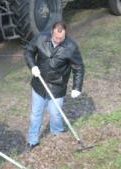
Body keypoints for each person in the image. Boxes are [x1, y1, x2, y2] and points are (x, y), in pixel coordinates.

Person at [24, 21, 85, 150]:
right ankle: (32, 140)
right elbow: (28, 51)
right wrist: (32, 66)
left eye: (61, 38)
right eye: (56, 38)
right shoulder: (40, 38)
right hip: (39, 83)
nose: (58, 40)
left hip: (58, 85)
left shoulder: (71, 47)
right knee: (36, 113)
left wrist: (77, 87)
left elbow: (78, 67)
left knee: (55, 113)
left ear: (65, 34)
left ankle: (57, 133)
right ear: (52, 32)